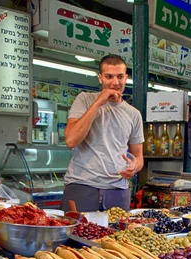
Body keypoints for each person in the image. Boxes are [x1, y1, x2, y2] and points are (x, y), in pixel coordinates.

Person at [60, 54, 144, 212]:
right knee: (75, 236)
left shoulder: (134, 114)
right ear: (100, 78)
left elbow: (139, 157)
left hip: (118, 191)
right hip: (81, 187)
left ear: (126, 78)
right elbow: (71, 140)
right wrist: (99, 102)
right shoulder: (84, 99)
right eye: (109, 77)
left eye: (120, 77)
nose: (115, 82)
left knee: (120, 237)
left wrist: (134, 167)